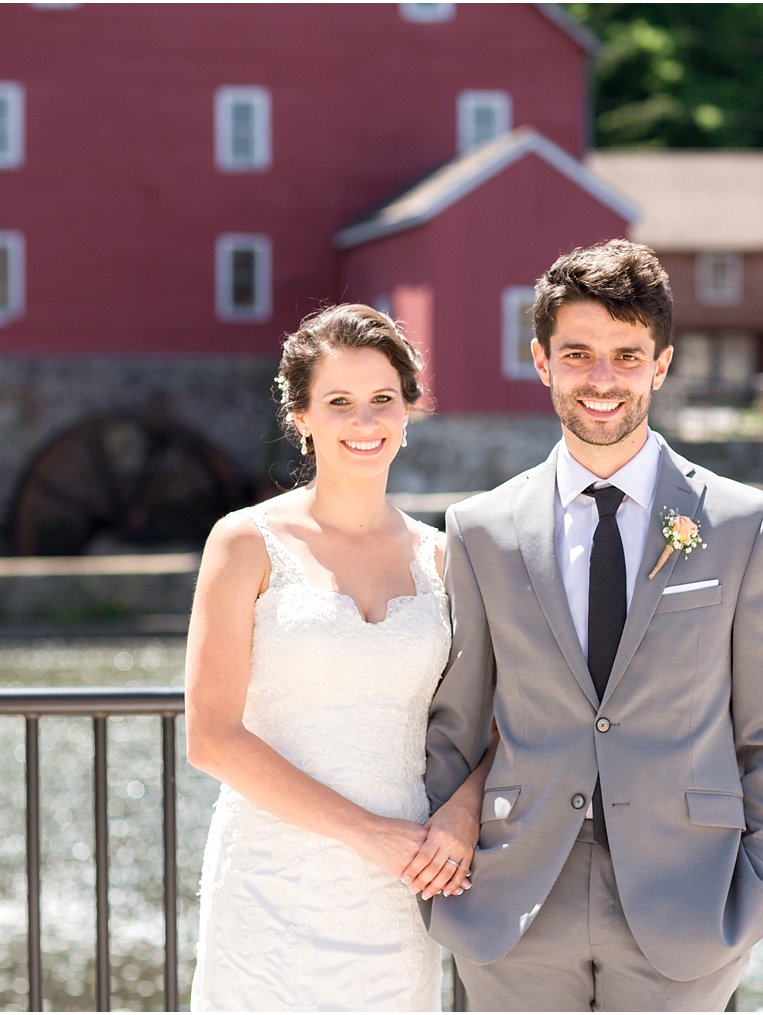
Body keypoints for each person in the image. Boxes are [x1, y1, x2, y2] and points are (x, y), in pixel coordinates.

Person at [424, 240, 763, 1010]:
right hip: (515, 900)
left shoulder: (743, 523)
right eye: (579, 354)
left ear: (660, 365)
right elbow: (455, 723)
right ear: (542, 362)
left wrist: (758, 885)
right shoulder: (481, 529)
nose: (602, 380)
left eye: (626, 356)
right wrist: (455, 878)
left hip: (688, 902)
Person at [185, 304, 489, 1011]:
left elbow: (501, 718)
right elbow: (211, 736)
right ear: (302, 416)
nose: (365, 421)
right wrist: (367, 833)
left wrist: (464, 814)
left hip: (402, 886)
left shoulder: (444, 558)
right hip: (269, 884)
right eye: (340, 402)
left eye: (384, 400)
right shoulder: (243, 542)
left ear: (409, 412)